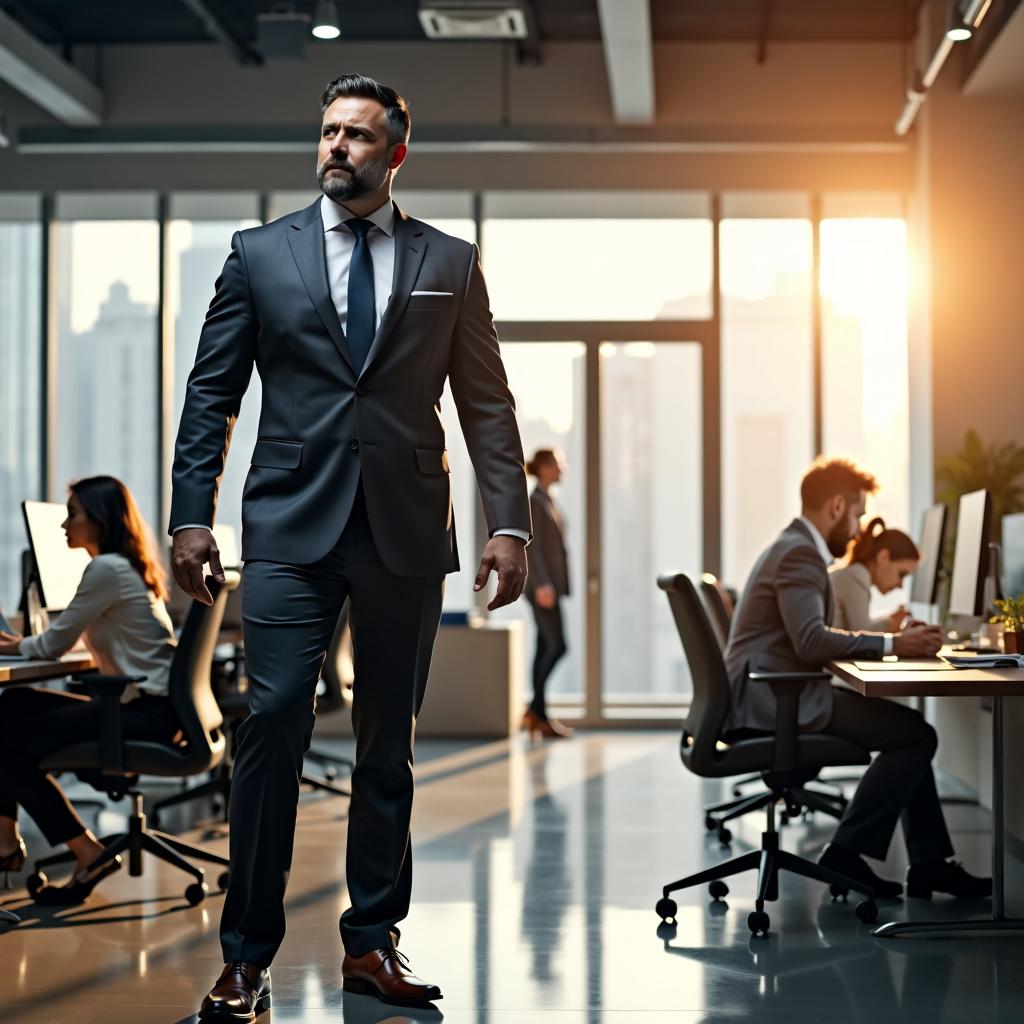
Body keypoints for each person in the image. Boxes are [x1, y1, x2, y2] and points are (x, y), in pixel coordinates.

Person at [169, 74, 531, 1018]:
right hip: (290, 527)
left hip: (407, 528)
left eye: (359, 137)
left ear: (396, 154)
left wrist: (508, 524)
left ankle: (372, 944)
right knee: (276, 719)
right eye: (328, 132)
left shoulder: (449, 257)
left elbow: (486, 403)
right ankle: (245, 957)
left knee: (387, 746)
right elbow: (213, 394)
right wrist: (191, 514)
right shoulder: (259, 255)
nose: (337, 147)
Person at [724, 457, 991, 901]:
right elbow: (810, 641)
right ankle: (849, 855)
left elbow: (807, 638)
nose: (858, 528)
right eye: (857, 514)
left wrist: (888, 641)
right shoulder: (799, 553)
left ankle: (928, 866)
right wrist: (892, 645)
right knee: (914, 736)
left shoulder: (793, 546)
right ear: (835, 506)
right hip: (775, 699)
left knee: (911, 733)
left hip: (776, 690)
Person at [0, 476, 178, 904]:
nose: (64, 524)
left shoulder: (106, 569)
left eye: (73, 513)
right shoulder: (123, 567)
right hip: (153, 707)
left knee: (5, 741)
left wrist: (12, 644)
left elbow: (51, 645)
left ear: (100, 520)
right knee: (13, 704)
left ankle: (85, 851)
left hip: (144, 715)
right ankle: (6, 844)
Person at [523, 449, 574, 740]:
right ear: (543, 468)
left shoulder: (546, 500)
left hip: (549, 586)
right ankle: (536, 711)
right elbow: (532, 547)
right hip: (543, 588)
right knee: (558, 646)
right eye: (557, 463)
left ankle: (538, 715)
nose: (562, 468)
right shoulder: (535, 503)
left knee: (545, 647)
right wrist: (542, 584)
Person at [829, 517, 920, 633]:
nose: (901, 585)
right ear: (883, 557)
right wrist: (891, 623)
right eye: (901, 574)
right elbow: (863, 636)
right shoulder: (856, 576)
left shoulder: (851, 573)